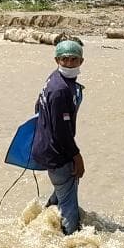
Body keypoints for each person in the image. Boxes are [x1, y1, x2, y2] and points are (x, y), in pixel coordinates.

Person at [31, 38, 86, 235]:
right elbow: (62, 133)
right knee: (69, 206)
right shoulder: (60, 90)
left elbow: (37, 107)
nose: (69, 63)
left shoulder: (53, 79)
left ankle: (38, 223)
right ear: (57, 60)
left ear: (81, 61)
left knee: (62, 191)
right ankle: (70, 242)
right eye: (65, 59)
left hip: (46, 148)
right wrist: (76, 157)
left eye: (73, 59)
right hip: (58, 153)